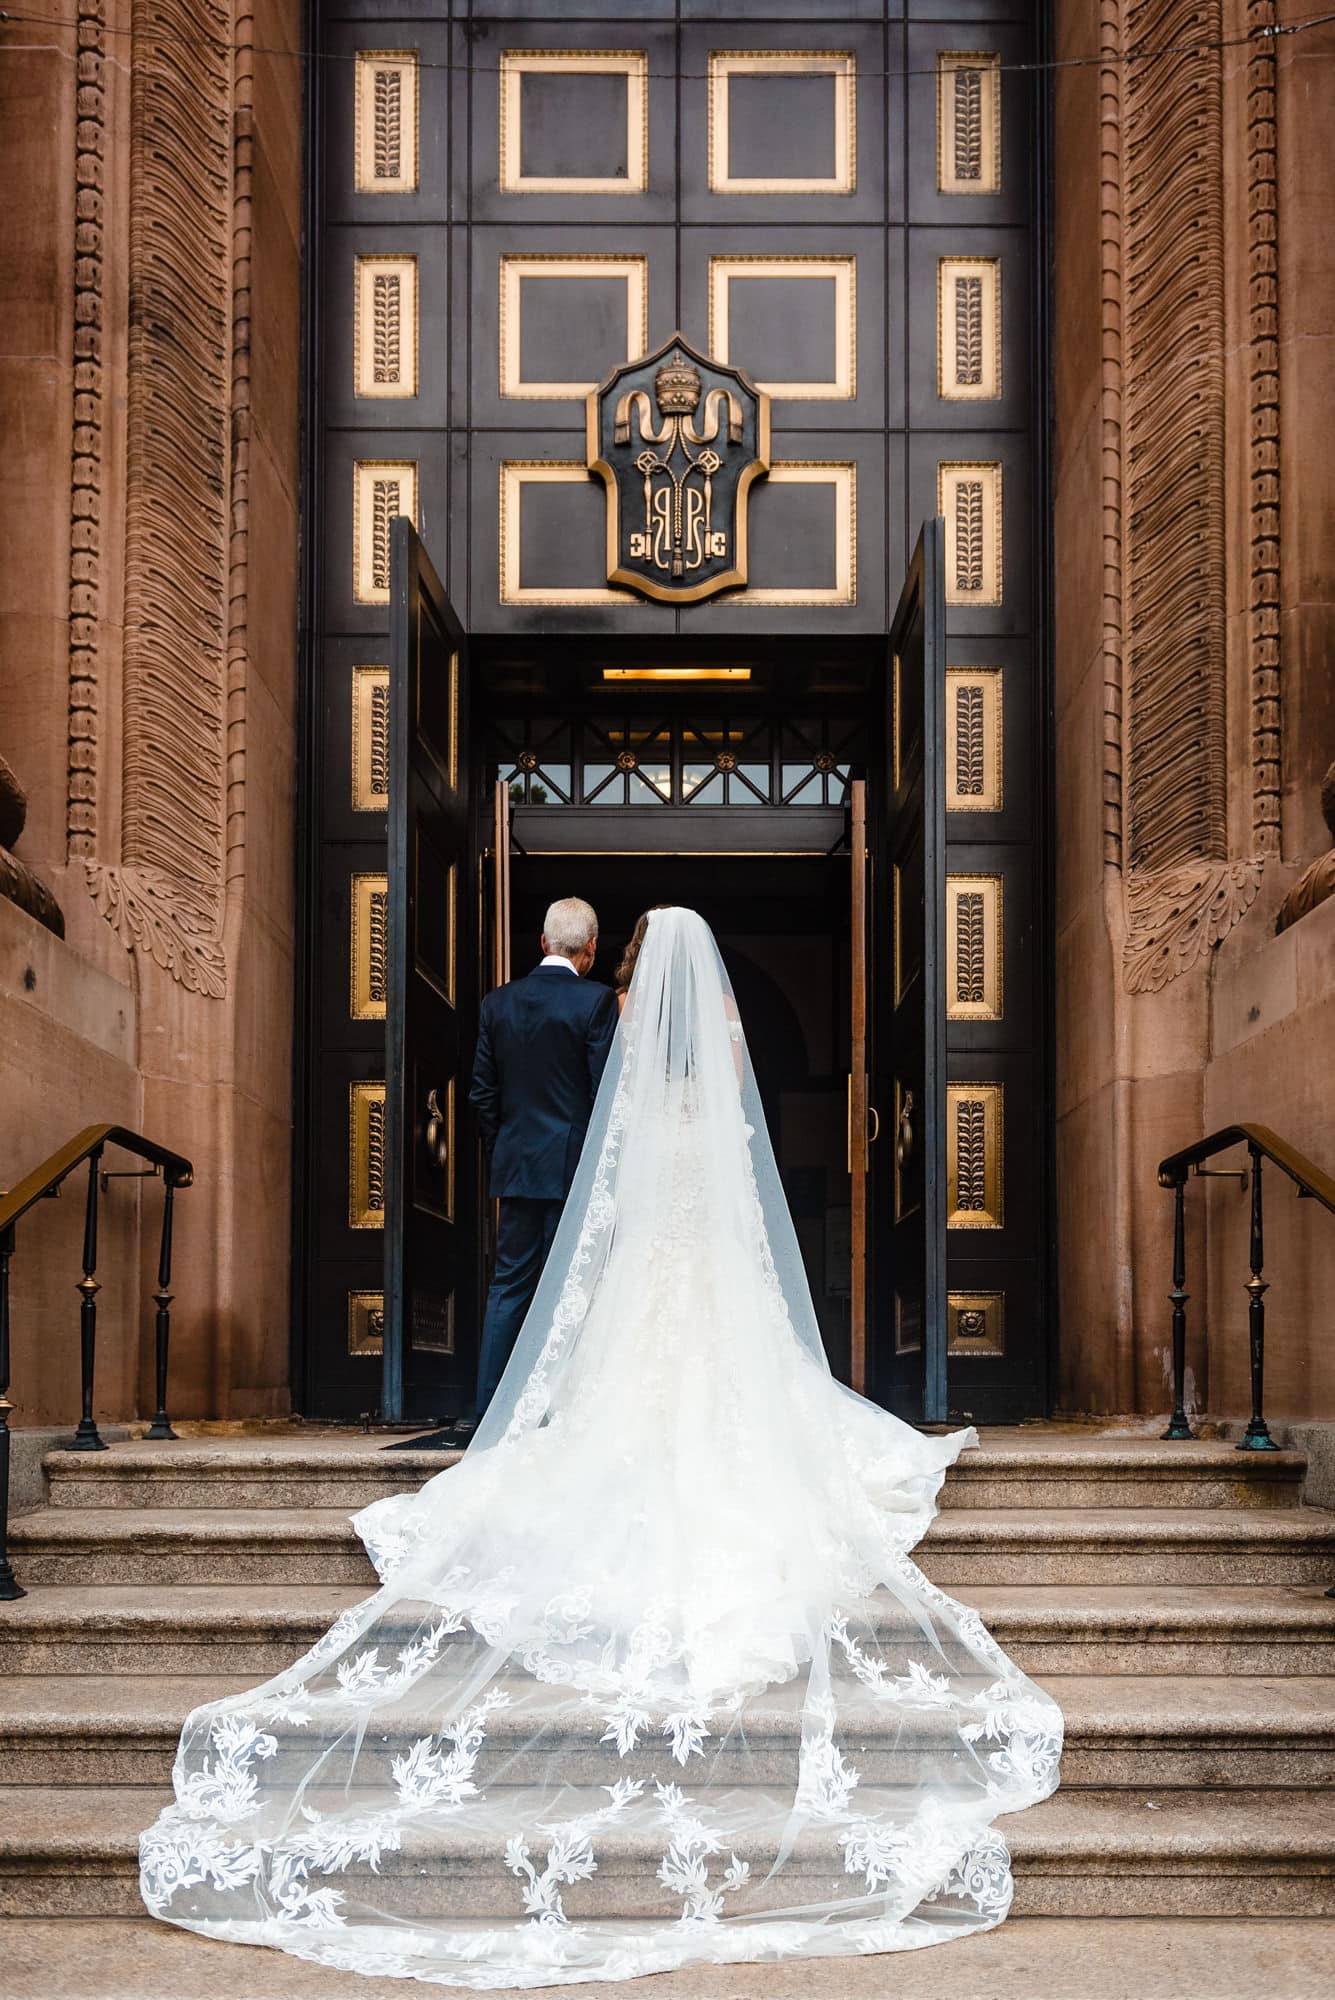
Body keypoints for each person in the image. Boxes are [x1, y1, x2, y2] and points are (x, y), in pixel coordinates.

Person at [140, 909, 1062, 1988]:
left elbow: (601, 1126)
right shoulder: (714, 1019)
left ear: (627, 963)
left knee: (606, 1330)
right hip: (702, 1199)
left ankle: (504, 1422)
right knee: (724, 1325)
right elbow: (746, 1144)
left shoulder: (613, 1013)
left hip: (630, 1188)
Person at [469, 895, 618, 1417]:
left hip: (516, 1168)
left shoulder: (497, 1004)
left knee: (508, 1286)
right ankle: (553, 1411)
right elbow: (605, 1093)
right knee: (566, 1289)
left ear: (542, 943)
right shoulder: (595, 1003)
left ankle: (490, 1409)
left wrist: (508, 1144)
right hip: (571, 1170)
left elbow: (481, 1095)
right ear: (591, 949)